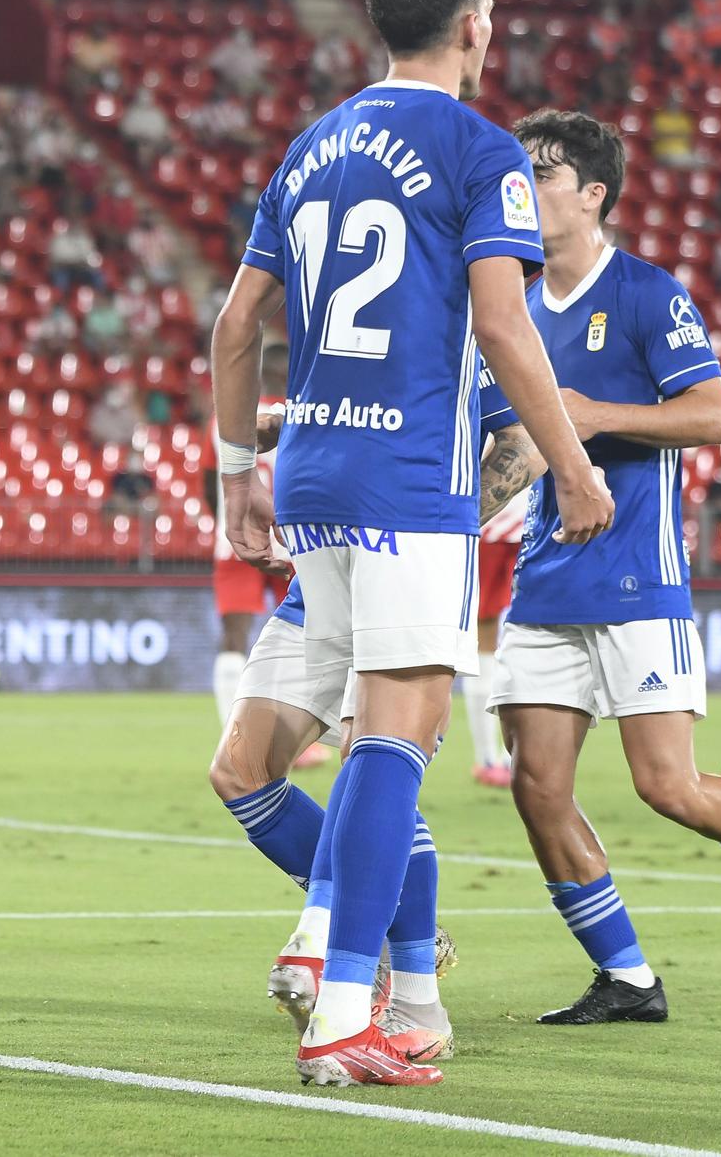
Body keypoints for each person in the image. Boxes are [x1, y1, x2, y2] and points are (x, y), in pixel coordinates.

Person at [211, 0, 612, 1087]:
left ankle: (392, 975)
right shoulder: (479, 151)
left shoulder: (309, 144)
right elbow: (501, 325)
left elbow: (234, 328)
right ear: (475, 26)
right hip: (407, 487)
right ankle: (347, 1012)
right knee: (391, 735)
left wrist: (239, 467)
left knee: (295, 748)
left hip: (310, 476)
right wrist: (572, 466)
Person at [493, 108, 721, 1024]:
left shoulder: (648, 294)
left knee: (669, 787)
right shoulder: (514, 309)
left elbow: (713, 416)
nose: (525, 186)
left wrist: (596, 413)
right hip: (543, 584)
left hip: (636, 581)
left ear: (594, 194)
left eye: (544, 172)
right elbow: (514, 446)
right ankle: (628, 978)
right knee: (538, 790)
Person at [220, 372, 544, 1063]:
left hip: (406, 554)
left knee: (370, 749)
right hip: (320, 565)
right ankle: (384, 919)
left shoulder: (457, 295)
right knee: (241, 770)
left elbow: (524, 442)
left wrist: (439, 525)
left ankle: (400, 986)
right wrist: (286, 426)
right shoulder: (323, 282)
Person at [208, 341, 292, 731]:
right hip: (290, 540)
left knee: (234, 635)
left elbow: (209, 483)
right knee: (299, 634)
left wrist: (232, 523)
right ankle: (295, 733)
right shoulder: (304, 416)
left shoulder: (224, 419)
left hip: (237, 541)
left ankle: (232, 733)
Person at [464, 469, 527, 788]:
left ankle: (494, 758)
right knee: (496, 632)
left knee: (491, 633)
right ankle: (494, 757)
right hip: (511, 520)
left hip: (499, 517)